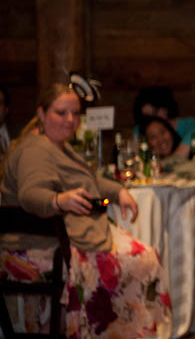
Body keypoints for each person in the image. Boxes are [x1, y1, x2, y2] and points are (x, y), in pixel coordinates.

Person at [0, 83, 171, 338]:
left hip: (62, 237)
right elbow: (30, 194)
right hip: (39, 245)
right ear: (42, 113)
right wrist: (58, 200)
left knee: (143, 256)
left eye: (75, 113)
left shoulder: (56, 144)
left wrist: (117, 191)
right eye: (61, 112)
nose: (70, 120)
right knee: (143, 260)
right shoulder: (35, 150)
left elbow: (86, 180)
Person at [132, 85, 195, 150]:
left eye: (155, 112)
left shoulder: (189, 125)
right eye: (147, 116)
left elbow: (182, 154)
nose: (152, 119)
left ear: (165, 108)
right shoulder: (140, 130)